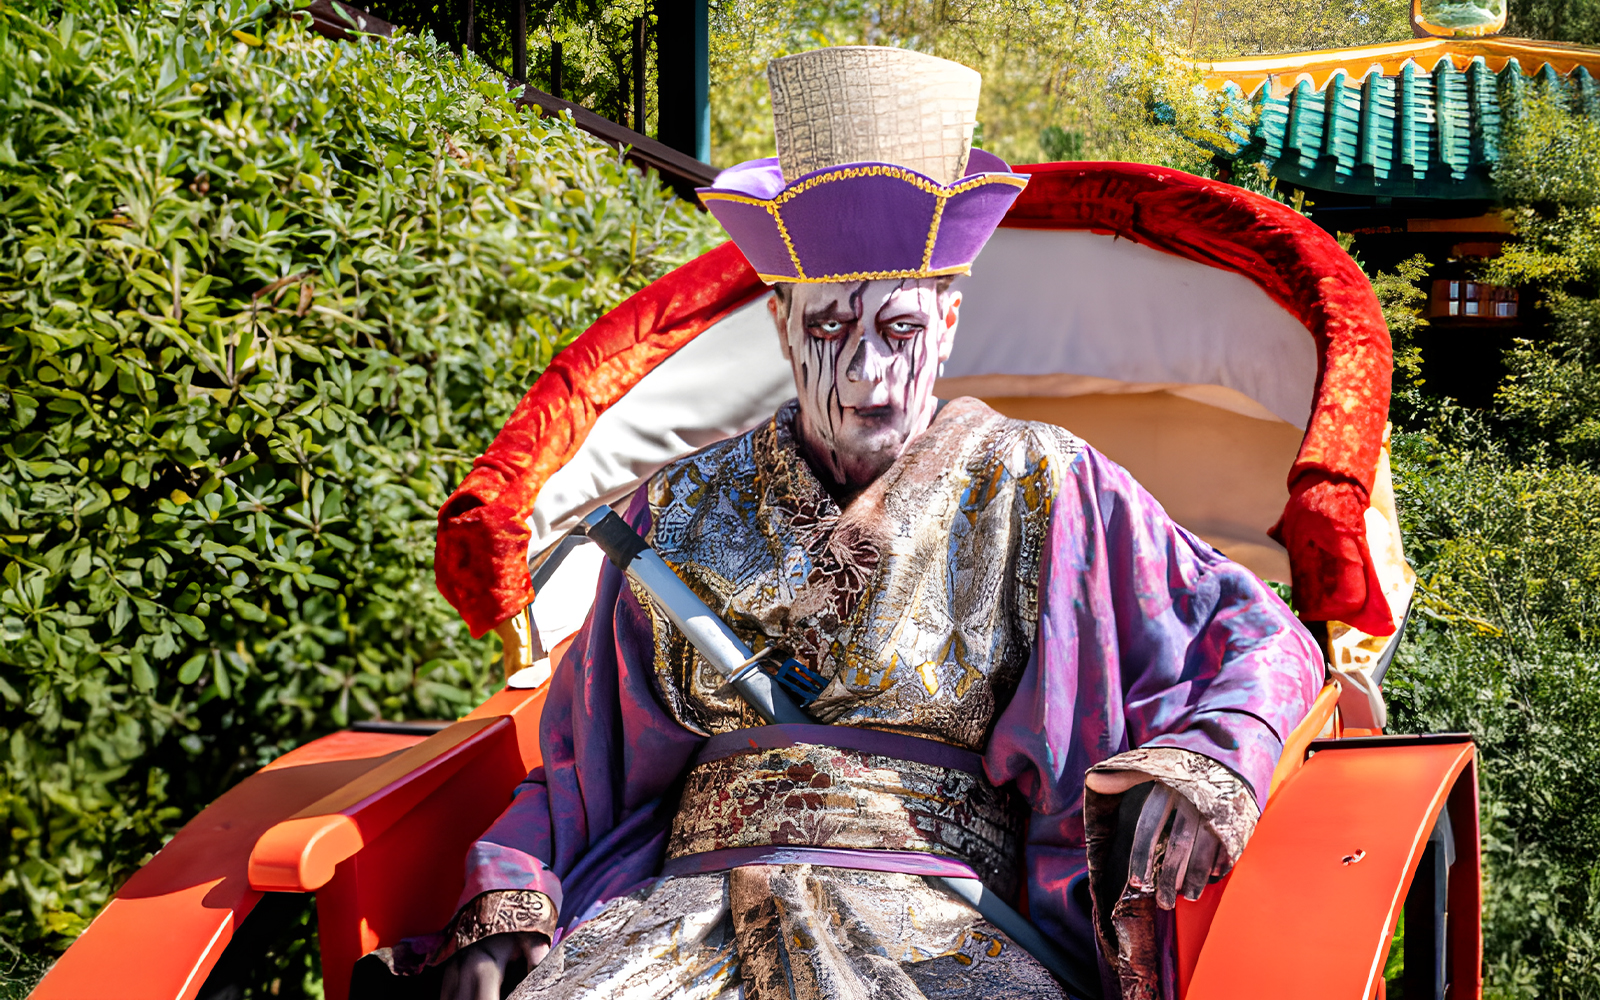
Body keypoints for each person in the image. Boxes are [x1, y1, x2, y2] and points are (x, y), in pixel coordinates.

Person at [385, 45, 1324, 1000]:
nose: (870, 374)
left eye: (902, 332)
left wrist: (1213, 761)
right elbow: (588, 764)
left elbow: (1252, 634)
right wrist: (507, 897)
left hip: (946, 930)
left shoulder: (1045, 481)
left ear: (950, 324)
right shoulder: (671, 508)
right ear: (785, 327)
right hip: (673, 923)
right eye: (832, 329)